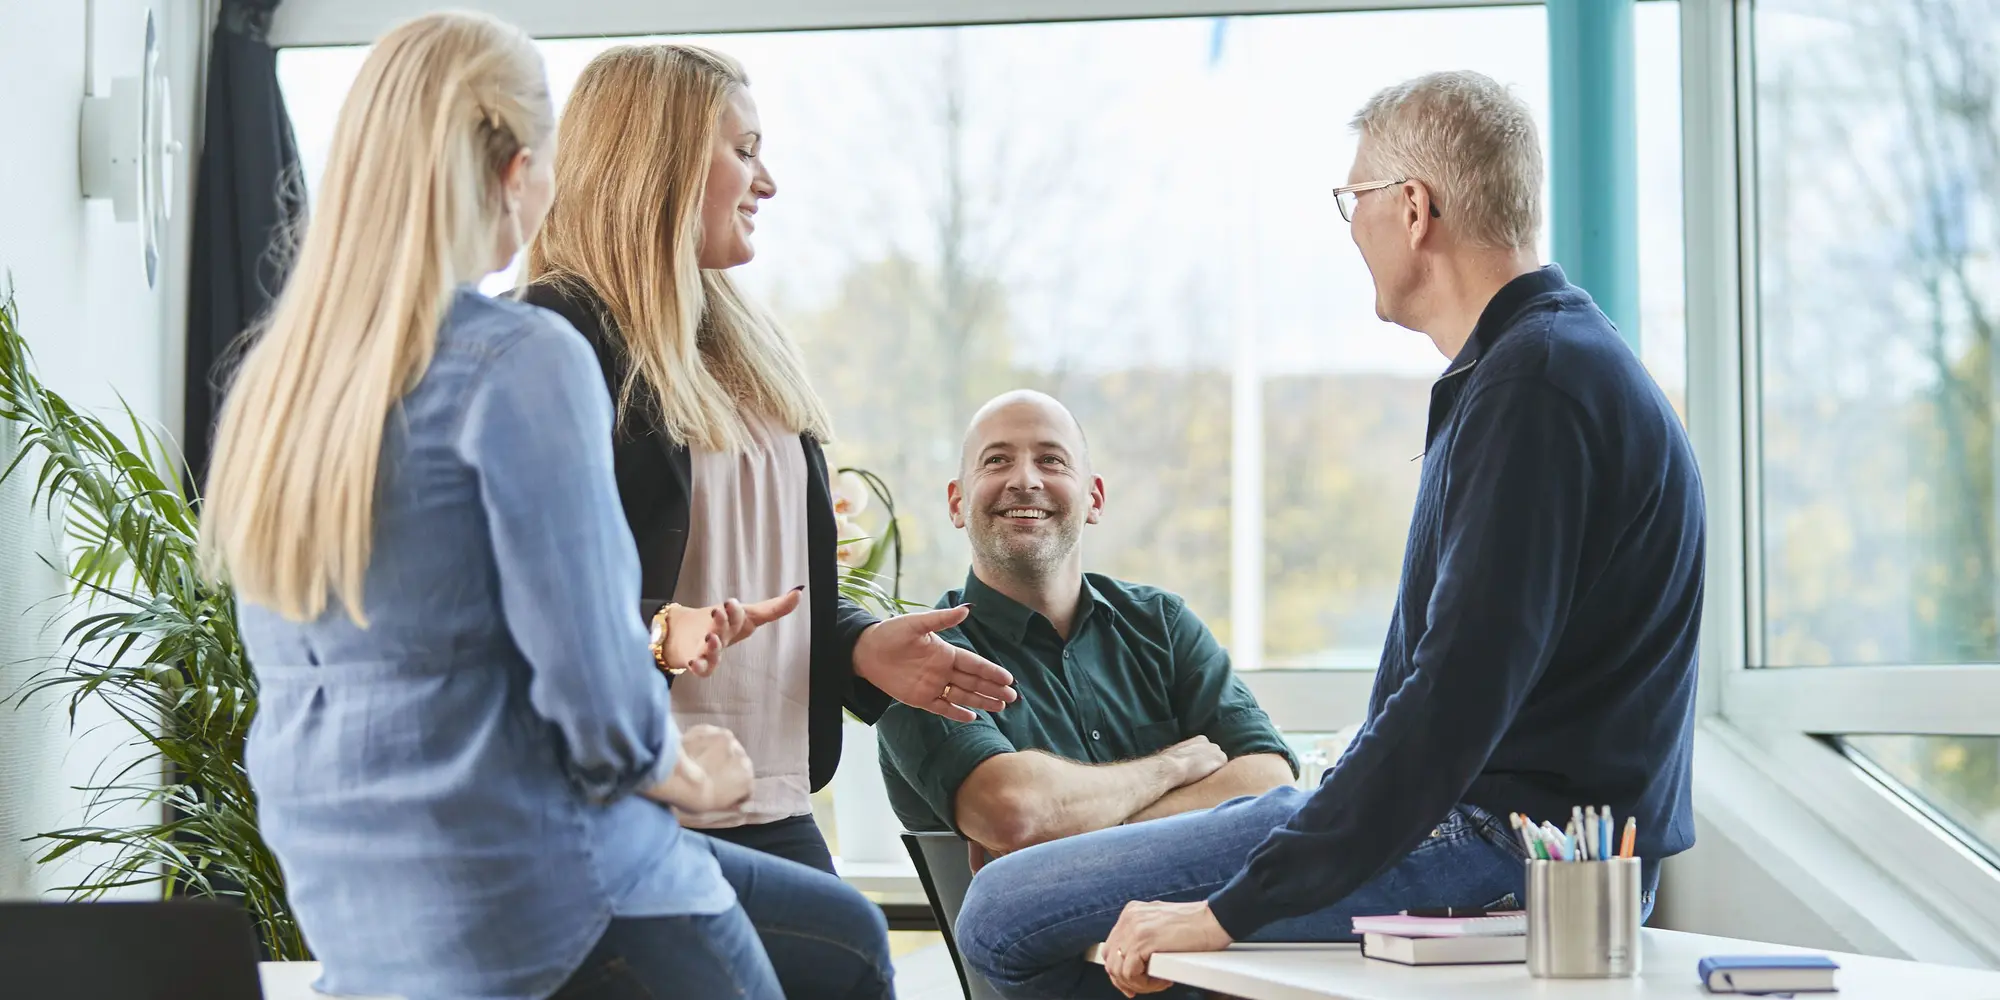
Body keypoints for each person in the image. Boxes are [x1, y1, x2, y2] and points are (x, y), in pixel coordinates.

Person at [953, 70, 1705, 999]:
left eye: (1354, 200)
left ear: (1414, 208)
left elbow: (1455, 700)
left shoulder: (1533, 388)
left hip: (1502, 852)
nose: (1350, 226)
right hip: (1489, 830)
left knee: (1001, 911)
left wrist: (1229, 910)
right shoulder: (1550, 364)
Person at [200, 13, 894, 999]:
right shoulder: (522, 359)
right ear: (518, 169)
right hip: (546, 894)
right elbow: (594, 693)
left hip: (354, 894)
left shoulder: (280, 385)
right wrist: (684, 765)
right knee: (850, 947)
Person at [521, 44, 1017, 875]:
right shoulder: (556, 332)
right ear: (660, 157)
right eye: (744, 150)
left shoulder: (745, 345)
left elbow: (768, 571)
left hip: (770, 790)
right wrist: (657, 636)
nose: (768, 181)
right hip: (630, 802)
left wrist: (858, 645)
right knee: (849, 957)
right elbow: (532, 592)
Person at [876, 390, 1296, 868]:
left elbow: (1269, 782)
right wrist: (1173, 767)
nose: (1025, 480)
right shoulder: (921, 659)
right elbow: (1014, 813)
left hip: (1191, 932)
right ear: (957, 503)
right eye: (996, 461)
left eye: (1051, 460)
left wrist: (1072, 829)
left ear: (1093, 498)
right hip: (1031, 942)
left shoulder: (1162, 623)